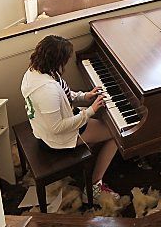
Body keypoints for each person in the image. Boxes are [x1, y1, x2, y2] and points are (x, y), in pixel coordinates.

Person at [21, 35, 119, 199]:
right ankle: (95, 185)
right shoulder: (46, 90)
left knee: (104, 121)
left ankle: (92, 152)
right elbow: (57, 127)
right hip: (56, 138)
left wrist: (84, 96)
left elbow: (64, 95)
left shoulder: (36, 72)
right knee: (116, 134)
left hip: (50, 124)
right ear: (56, 60)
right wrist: (90, 111)